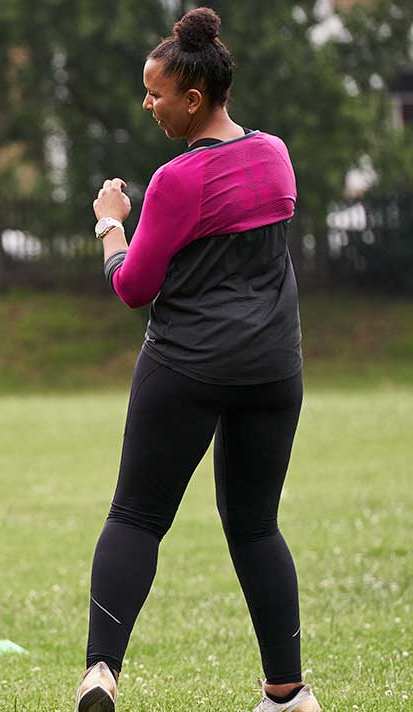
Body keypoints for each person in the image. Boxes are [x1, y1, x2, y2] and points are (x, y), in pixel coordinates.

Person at [77, 8, 320, 712]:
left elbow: (132, 287)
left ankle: (101, 673)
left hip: (187, 366)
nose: (147, 105)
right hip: (274, 368)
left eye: (155, 94)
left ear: (193, 98)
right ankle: (287, 694)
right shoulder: (275, 154)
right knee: (255, 524)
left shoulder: (179, 180)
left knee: (135, 517)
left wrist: (111, 223)